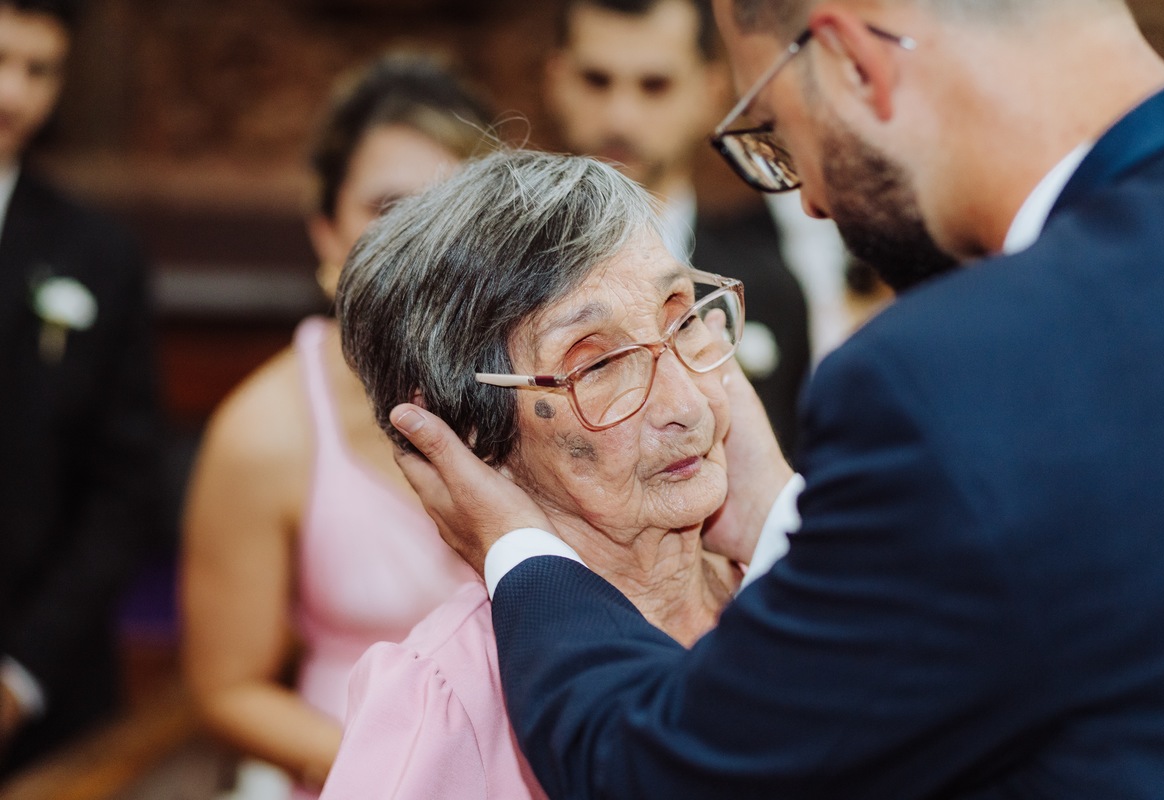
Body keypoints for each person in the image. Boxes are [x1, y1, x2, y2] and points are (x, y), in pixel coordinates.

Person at [383, 0, 1164, 797]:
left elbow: (664, 772)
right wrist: (777, 510)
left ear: (852, 63)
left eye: (771, 129)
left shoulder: (958, 376)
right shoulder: (441, 689)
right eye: (600, 364)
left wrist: (519, 551)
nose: (808, 199)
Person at [321, 150, 751, 799]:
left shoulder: (792, 589)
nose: (687, 407)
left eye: (682, 319)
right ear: (466, 434)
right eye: (597, 366)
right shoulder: (446, 699)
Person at [180, 53, 489, 797]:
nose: (421, 239)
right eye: (388, 208)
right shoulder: (266, 432)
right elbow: (228, 689)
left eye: (449, 209)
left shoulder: (543, 389)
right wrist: (394, 767)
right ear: (325, 234)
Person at [0, 0, 162, 778]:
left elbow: (123, 487)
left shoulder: (97, 253)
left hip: (48, 693)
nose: (14, 95)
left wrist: (20, 675)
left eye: (40, 70)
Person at [546, 0, 812, 448]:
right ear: (555, 80)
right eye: (596, 80)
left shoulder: (770, 291)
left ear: (711, 92)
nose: (620, 117)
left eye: (655, 86)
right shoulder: (493, 280)